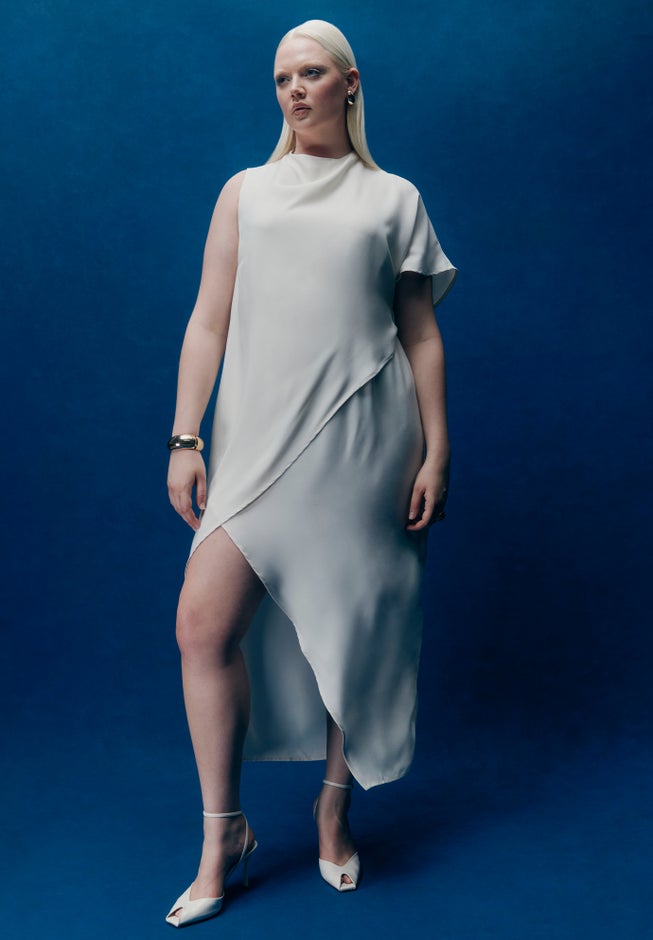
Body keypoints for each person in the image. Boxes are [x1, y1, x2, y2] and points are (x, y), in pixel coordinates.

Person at [164, 19, 457, 928]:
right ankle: (224, 834)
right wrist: (185, 438)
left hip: (365, 442)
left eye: (312, 73)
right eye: (283, 77)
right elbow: (208, 319)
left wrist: (436, 448)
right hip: (255, 441)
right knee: (202, 625)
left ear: (349, 83)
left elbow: (419, 333)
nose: (295, 89)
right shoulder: (245, 193)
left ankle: (334, 811)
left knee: (350, 627)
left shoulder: (392, 198)